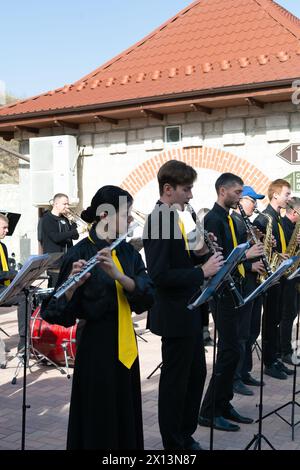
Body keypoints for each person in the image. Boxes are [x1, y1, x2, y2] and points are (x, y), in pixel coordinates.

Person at [40, 185, 154, 450]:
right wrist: (71, 286)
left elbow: (147, 296)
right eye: (125, 214)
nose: (130, 220)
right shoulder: (79, 254)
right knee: (98, 419)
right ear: (105, 215)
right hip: (96, 347)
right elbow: (56, 314)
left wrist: (120, 276)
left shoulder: (127, 252)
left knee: (125, 414)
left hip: (126, 345)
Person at [143, 160, 224, 450]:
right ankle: (174, 441)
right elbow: (159, 275)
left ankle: (185, 433)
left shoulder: (172, 218)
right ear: (168, 189)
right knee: (177, 382)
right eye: (186, 189)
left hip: (188, 311)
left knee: (195, 375)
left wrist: (202, 253)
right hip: (174, 314)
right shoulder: (160, 219)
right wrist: (202, 271)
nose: (190, 195)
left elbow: (178, 261)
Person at [199, 173, 263, 432]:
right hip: (222, 294)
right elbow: (220, 260)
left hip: (233, 290)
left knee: (235, 348)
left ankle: (223, 403)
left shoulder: (227, 219)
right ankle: (209, 410)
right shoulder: (213, 219)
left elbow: (233, 254)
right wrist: (246, 254)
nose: (240, 197)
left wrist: (248, 246)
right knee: (228, 352)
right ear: (222, 190)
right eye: (237, 192)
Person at [253, 179, 294, 379]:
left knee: (276, 319)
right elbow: (255, 240)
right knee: (269, 321)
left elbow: (274, 247)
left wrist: (280, 252)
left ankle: (275, 357)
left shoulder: (276, 218)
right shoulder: (264, 218)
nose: (289, 198)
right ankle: (269, 362)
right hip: (268, 278)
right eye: (287, 194)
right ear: (276, 195)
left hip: (278, 274)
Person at [231, 186, 266, 394]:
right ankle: (235, 377)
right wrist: (249, 266)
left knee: (252, 330)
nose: (255, 204)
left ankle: (244, 372)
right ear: (242, 200)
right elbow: (229, 256)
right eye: (253, 200)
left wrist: (260, 240)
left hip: (253, 282)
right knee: (241, 334)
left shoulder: (246, 221)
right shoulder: (233, 222)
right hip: (242, 282)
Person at [38, 193, 81, 287]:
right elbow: (56, 237)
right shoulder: (47, 219)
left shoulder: (64, 219)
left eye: (67, 204)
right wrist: (75, 231)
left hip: (67, 260)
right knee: (55, 290)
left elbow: (75, 236)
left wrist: (72, 222)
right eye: (64, 204)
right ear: (56, 204)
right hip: (55, 263)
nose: (67, 206)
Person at [0, 213, 27, 354]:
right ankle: (23, 340)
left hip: (3, 287)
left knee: (29, 292)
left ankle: (31, 336)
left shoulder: (2, 247)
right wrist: (13, 273)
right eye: (4, 228)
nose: (7, 231)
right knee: (23, 296)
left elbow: (4, 269)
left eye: (7, 228)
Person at [280, 197, 300, 366]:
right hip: (286, 277)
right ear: (295, 212)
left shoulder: (294, 226)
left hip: (294, 277)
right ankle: (284, 350)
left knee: (292, 314)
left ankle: (288, 349)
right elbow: (285, 250)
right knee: (287, 315)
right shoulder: (283, 225)